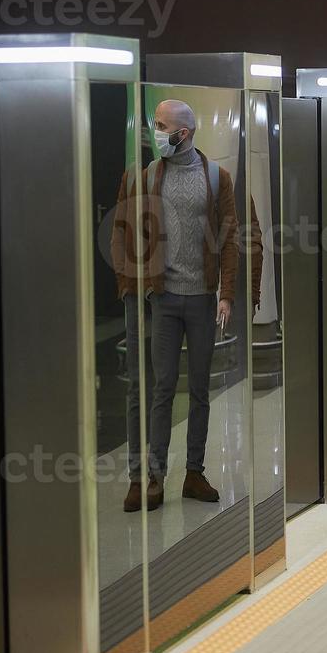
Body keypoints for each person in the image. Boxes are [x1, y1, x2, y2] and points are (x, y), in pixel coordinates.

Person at [112, 99, 242, 513]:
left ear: (183, 133)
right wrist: (135, 288)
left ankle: (194, 472)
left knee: (200, 389)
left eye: (162, 125)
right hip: (163, 298)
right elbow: (123, 235)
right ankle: (152, 476)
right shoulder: (148, 177)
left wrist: (225, 294)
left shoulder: (216, 179)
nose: (156, 132)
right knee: (162, 388)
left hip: (202, 299)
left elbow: (229, 239)